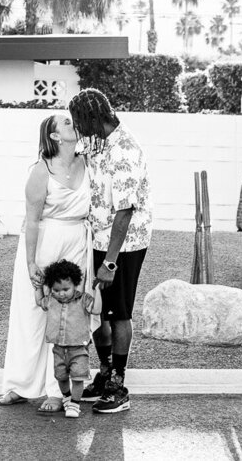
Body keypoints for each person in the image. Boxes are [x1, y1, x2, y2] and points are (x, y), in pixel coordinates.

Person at [0, 111, 94, 413]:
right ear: (53, 136)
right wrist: (30, 264)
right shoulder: (41, 171)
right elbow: (33, 221)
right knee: (31, 314)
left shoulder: (88, 163)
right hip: (45, 241)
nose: (71, 122)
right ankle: (18, 384)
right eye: (64, 122)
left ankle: (56, 390)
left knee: (67, 315)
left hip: (77, 240)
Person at [68, 87, 151, 416]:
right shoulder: (100, 143)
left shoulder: (125, 148)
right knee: (100, 310)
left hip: (124, 244)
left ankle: (119, 384)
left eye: (79, 120)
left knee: (118, 313)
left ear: (92, 116)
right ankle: (104, 376)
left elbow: (125, 211)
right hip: (98, 239)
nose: (77, 127)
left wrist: (111, 263)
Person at [36, 258, 96, 419]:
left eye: (65, 289)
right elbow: (39, 301)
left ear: (75, 284)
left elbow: (96, 310)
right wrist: (38, 287)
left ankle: (75, 405)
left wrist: (99, 292)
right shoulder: (51, 301)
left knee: (77, 377)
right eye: (56, 290)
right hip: (59, 349)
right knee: (61, 377)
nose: (61, 293)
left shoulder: (83, 299)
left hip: (78, 349)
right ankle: (67, 398)